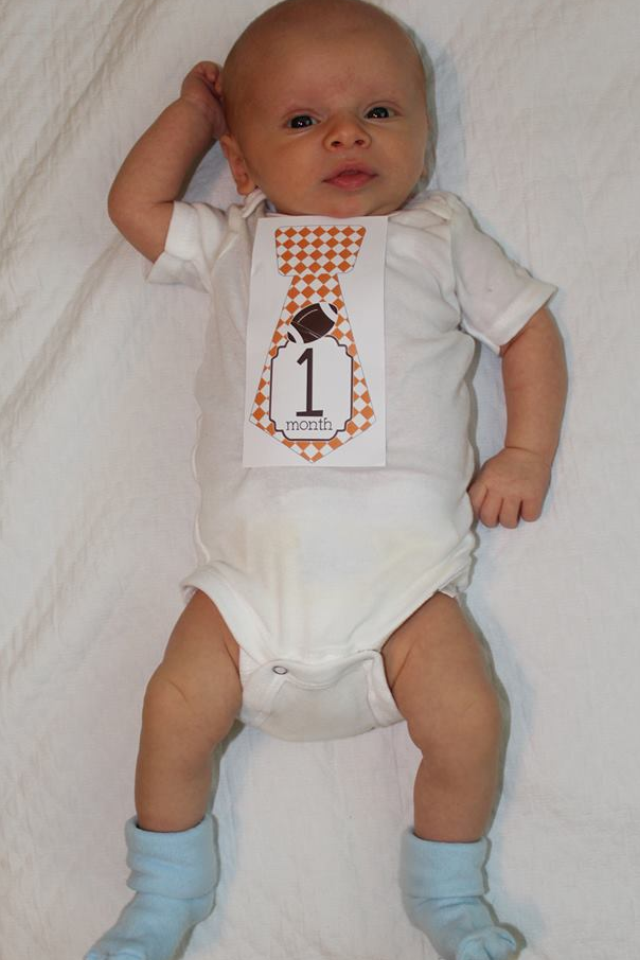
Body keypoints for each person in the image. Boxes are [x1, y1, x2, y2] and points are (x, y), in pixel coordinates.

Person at [85, 1, 567, 959]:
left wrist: (526, 453)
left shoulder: (439, 235)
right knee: (172, 711)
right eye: (303, 120)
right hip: (246, 595)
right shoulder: (235, 240)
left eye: (380, 111)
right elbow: (134, 210)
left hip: (402, 594)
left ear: (425, 132)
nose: (347, 134)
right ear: (244, 163)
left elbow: (527, 331)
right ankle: (163, 898)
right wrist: (193, 118)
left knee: (469, 721)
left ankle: (449, 895)